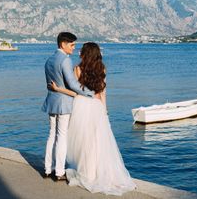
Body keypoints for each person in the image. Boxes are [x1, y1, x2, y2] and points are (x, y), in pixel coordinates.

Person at [50, 42, 136, 195]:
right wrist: (105, 111)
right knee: (98, 142)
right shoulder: (102, 69)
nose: (79, 52)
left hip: (81, 106)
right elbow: (103, 92)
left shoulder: (77, 69)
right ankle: (98, 173)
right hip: (97, 107)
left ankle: (88, 174)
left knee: (84, 142)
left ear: (85, 53)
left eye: (81, 50)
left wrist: (58, 89)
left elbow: (75, 93)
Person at [42, 32, 94, 181]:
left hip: (51, 100)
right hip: (64, 103)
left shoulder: (49, 60)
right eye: (72, 45)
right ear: (63, 44)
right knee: (62, 136)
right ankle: (59, 172)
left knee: (51, 135)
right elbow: (72, 84)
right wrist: (88, 93)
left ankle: (47, 169)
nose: (73, 48)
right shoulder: (65, 60)